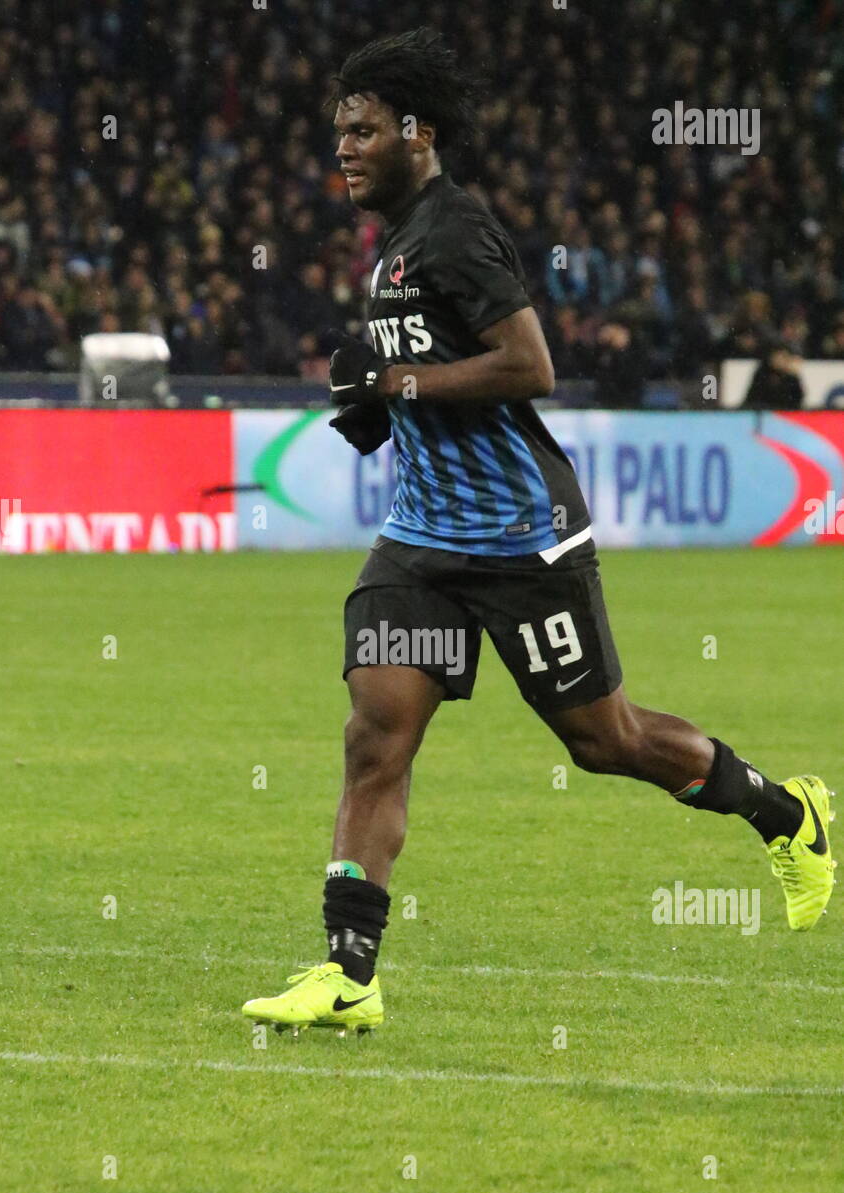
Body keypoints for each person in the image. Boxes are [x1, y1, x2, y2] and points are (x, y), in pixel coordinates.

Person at [242, 28, 834, 1036]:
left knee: (604, 741)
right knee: (374, 736)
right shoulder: (390, 249)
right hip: (421, 540)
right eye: (337, 130)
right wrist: (376, 405)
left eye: (362, 130)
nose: (341, 147)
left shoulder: (453, 230)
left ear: (416, 134)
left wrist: (401, 381)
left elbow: (528, 366)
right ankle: (348, 975)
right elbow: (422, 384)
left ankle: (787, 814)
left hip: (521, 536)